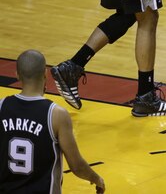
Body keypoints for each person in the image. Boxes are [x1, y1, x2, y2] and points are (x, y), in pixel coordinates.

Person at [0, 50, 105, 193]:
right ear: (45, 73)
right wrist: (96, 179)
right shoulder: (56, 115)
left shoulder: (1, 107)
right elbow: (77, 166)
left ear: (17, 75)